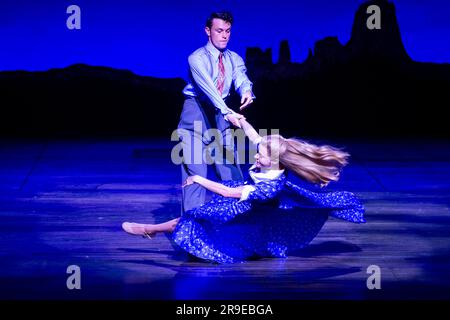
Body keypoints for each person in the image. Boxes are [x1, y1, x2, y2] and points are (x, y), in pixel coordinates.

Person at [122, 118, 366, 264]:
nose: (256, 155)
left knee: (195, 219)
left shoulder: (270, 187)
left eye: (260, 155)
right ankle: (153, 230)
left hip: (243, 215)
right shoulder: (271, 156)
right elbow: (253, 136)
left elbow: (230, 194)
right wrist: (239, 120)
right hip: (241, 206)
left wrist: (199, 179)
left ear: (274, 162)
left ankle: (149, 230)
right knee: (195, 219)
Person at [178, 11, 255, 214]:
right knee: (195, 173)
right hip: (196, 114)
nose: (224, 35)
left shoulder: (234, 58)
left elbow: (241, 77)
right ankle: (193, 230)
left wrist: (246, 91)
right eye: (219, 30)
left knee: (231, 169)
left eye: (228, 31)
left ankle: (238, 223)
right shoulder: (196, 58)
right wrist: (227, 112)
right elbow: (209, 90)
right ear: (208, 31)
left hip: (220, 117)